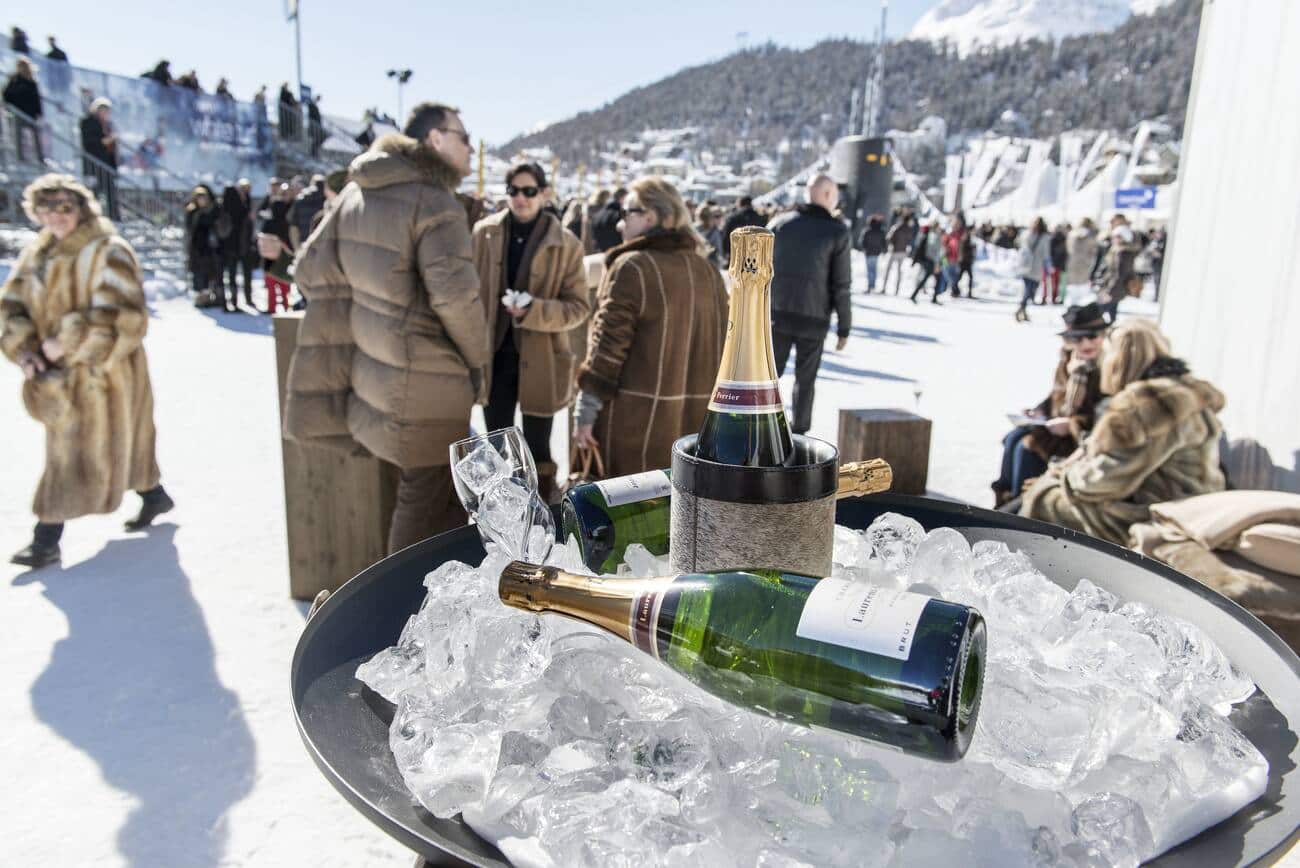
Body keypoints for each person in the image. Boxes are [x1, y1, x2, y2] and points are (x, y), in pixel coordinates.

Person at [284, 101, 489, 554]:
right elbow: (456, 299)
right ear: (435, 139)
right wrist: (479, 365)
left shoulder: (356, 195)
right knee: (425, 521)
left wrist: (374, 308)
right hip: (427, 389)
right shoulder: (435, 201)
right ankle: (400, 617)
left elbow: (307, 271)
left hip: (372, 380)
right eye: (464, 136)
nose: (470, 148)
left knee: (409, 501)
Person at [0, 174, 173, 567]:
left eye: (65, 206)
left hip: (108, 375)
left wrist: (69, 340)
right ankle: (154, 494)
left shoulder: (109, 250)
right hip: (56, 375)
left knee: (73, 451)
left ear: (81, 207)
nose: (56, 216)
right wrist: (26, 350)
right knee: (117, 446)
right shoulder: (36, 254)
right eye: (46, 207)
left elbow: (126, 318)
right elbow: (10, 306)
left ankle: (45, 538)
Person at [572, 177, 727, 477]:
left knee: (623, 513)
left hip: (633, 430)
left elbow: (606, 351)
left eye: (626, 213)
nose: (619, 224)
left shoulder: (633, 267)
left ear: (650, 217)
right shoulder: (708, 272)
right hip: (692, 435)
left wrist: (585, 412)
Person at [1021, 320, 1226, 546]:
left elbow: (1105, 480)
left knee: (1044, 499)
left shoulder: (1147, 406)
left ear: (1119, 358)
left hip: (1164, 512)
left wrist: (1061, 477)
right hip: (1194, 503)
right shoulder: (1182, 388)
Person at [471, 162, 590, 499]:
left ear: (544, 193)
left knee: (538, 447)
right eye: (513, 191)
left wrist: (534, 311)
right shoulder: (485, 233)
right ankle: (497, 511)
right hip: (494, 357)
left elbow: (578, 307)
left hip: (543, 360)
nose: (520, 199)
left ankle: (540, 517)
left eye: (529, 191)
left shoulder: (566, 244)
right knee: (495, 443)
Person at [992, 303, 1107, 506]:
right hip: (1060, 425)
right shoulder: (1070, 359)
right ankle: (1005, 501)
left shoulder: (1108, 367)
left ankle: (1023, 506)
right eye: (1078, 338)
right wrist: (1040, 409)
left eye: (1092, 336)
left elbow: (1106, 415)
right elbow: (1057, 394)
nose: (1086, 343)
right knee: (1013, 438)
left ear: (1103, 335)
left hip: (1086, 436)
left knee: (1027, 448)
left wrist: (1071, 424)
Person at [767, 174, 852, 434]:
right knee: (805, 380)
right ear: (826, 195)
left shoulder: (779, 224)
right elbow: (842, 284)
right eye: (835, 193)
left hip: (776, 313)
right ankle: (799, 431)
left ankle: (759, 425)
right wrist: (844, 327)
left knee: (768, 375)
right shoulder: (838, 231)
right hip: (814, 318)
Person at [79, 97, 120, 221]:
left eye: (107, 111)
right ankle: (92, 218)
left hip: (107, 165)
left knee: (110, 193)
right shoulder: (88, 122)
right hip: (94, 164)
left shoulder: (108, 125)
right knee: (94, 193)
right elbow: (89, 142)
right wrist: (104, 141)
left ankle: (114, 217)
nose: (105, 113)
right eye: (102, 110)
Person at [219, 179, 257, 311]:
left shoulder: (223, 209)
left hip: (231, 248)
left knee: (232, 276)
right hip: (240, 247)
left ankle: (235, 301)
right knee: (238, 275)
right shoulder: (242, 210)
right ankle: (240, 300)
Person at [184, 185, 223, 307]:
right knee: (199, 276)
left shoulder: (213, 210)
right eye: (199, 197)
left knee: (212, 274)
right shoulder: (192, 211)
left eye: (203, 197)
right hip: (197, 248)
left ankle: (213, 297)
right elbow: (190, 228)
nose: (201, 200)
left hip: (211, 248)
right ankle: (202, 298)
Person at [1098, 216, 1139, 322]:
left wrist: (1110, 291)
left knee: (1100, 312)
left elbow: (1118, 274)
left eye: (1117, 237)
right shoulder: (1120, 251)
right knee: (1111, 314)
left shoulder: (1122, 253)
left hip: (1114, 288)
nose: (1114, 239)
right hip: (1116, 288)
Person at [3, 56, 43, 164]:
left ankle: (40, 158)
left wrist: (39, 112)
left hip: (30, 113)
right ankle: (20, 158)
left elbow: (36, 98)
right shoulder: (14, 79)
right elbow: (6, 94)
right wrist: (9, 106)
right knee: (17, 136)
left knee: (35, 137)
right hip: (18, 113)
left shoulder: (31, 81)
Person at [1015, 217, 1051, 322]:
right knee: (1031, 290)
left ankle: (1023, 310)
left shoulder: (1027, 234)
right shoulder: (1044, 237)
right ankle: (1021, 308)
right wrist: (1047, 266)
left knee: (1027, 289)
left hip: (1026, 264)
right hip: (1036, 266)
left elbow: (1019, 245)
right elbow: (1046, 254)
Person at [721, 196, 767, 265]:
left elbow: (726, 236)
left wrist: (726, 253)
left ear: (739, 204)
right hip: (756, 255)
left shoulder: (732, 217)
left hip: (736, 255)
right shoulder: (761, 218)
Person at [1063, 217, 1099, 305]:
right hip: (1085, 264)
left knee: (1072, 289)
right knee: (1083, 290)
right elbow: (1093, 252)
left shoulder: (1072, 235)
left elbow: (1068, 249)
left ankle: (1072, 306)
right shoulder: (1091, 236)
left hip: (1072, 263)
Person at [287, 173, 326, 251]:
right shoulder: (328, 200)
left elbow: (293, 227)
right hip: (323, 245)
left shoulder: (300, 200)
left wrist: (297, 249)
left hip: (304, 244)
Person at [909, 219, 942, 303]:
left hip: (930, 261)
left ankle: (915, 295)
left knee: (928, 278)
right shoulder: (934, 236)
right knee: (935, 278)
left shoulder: (931, 235)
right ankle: (932, 298)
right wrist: (937, 264)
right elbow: (935, 251)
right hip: (932, 261)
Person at [882, 209, 915, 294]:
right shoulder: (909, 229)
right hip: (903, 252)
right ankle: (897, 290)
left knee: (888, 270)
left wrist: (891, 245)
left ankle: (884, 288)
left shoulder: (897, 227)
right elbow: (910, 240)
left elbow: (889, 238)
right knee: (899, 271)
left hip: (894, 251)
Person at [937, 213, 966, 299]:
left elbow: (960, 246)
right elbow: (943, 245)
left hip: (955, 259)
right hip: (945, 258)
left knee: (954, 275)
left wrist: (960, 255)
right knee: (946, 272)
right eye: (955, 223)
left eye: (958, 223)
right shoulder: (948, 233)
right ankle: (946, 289)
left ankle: (953, 290)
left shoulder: (959, 235)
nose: (956, 225)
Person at [589, 188, 626, 252]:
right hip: (616, 253)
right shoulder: (619, 214)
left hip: (600, 252)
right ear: (622, 198)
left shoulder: (598, 214)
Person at [859, 213, 886, 292]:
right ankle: (872, 285)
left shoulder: (867, 231)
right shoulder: (881, 231)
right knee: (874, 269)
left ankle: (870, 286)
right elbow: (883, 242)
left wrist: (864, 248)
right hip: (876, 252)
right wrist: (883, 250)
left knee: (869, 270)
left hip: (869, 252)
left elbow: (863, 242)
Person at [1045, 224, 1069, 304]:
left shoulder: (1053, 239)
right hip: (1062, 264)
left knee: (1054, 282)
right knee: (1062, 283)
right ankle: (1060, 298)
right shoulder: (1066, 239)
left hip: (1055, 264)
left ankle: (1054, 298)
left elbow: (1050, 253)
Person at [956, 227, 976, 297]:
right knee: (959, 277)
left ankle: (969, 293)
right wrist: (972, 248)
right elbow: (963, 251)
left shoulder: (969, 239)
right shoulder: (965, 240)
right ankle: (955, 290)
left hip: (967, 262)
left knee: (969, 277)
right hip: (964, 262)